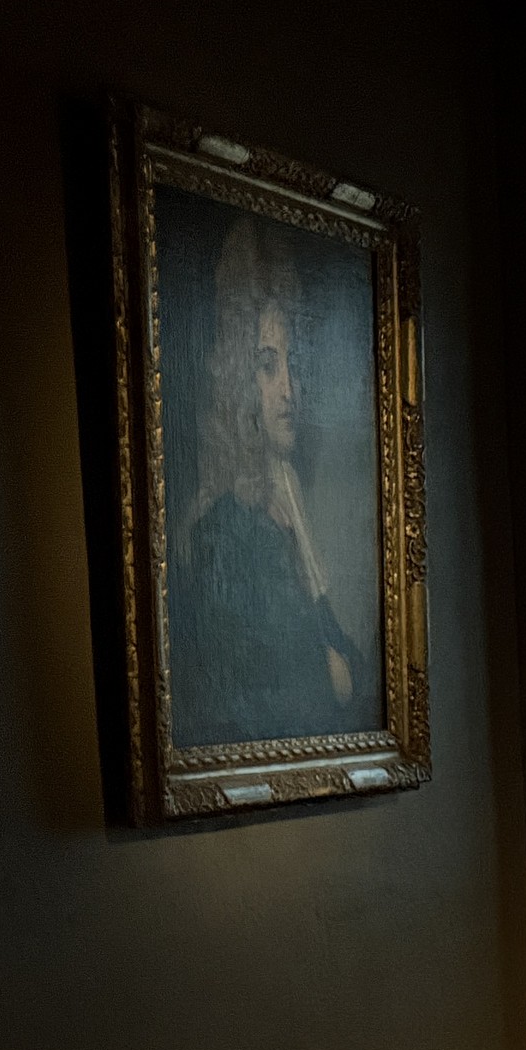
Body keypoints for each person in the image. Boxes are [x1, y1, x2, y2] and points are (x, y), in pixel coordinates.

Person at [173, 214, 369, 747]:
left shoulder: (285, 499)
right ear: (239, 379)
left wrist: (337, 669)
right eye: (267, 366)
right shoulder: (224, 527)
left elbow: (351, 663)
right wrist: (332, 671)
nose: (289, 389)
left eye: (291, 364)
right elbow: (283, 695)